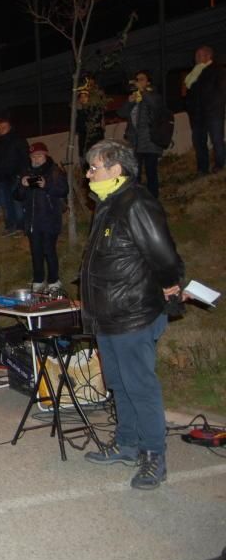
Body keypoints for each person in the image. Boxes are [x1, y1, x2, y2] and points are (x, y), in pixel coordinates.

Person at [80, 139, 185, 490]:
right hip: (109, 316)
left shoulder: (135, 202)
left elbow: (164, 254)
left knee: (140, 386)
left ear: (116, 169)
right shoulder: (108, 205)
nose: (88, 173)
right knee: (119, 385)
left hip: (134, 314)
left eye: (94, 167)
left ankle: (154, 455)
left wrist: (170, 284)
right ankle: (126, 444)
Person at [13, 143, 69, 291]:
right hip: (32, 220)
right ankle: (38, 280)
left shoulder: (54, 170)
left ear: (46, 155)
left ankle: (53, 281)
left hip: (50, 218)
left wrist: (46, 184)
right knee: (36, 251)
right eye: (33, 156)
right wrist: (23, 185)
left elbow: (64, 190)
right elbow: (17, 195)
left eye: (39, 155)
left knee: (49, 249)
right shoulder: (26, 171)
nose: (36, 159)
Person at [118, 70, 167, 198]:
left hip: (150, 141)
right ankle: (138, 201)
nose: (138, 81)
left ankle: (153, 200)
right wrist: (130, 101)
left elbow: (155, 105)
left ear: (148, 82)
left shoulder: (153, 95)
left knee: (151, 173)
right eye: (137, 79)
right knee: (135, 174)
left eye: (142, 79)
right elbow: (121, 113)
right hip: (135, 142)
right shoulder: (136, 97)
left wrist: (143, 91)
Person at [183, 45, 226, 175]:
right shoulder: (194, 74)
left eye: (199, 55)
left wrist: (214, 106)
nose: (196, 58)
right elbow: (189, 94)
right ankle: (202, 168)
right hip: (197, 115)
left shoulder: (218, 70)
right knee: (199, 142)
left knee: (217, 140)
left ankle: (220, 165)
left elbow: (222, 91)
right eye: (196, 55)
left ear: (208, 56)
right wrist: (190, 109)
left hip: (213, 112)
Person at [0, 115, 29, 236]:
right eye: (0, 128)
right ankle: (10, 226)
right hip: (1, 178)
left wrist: (23, 174)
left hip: (16, 176)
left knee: (17, 202)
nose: (2, 130)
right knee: (6, 204)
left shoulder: (18, 140)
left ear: (10, 127)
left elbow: (25, 158)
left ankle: (21, 226)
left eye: (4, 127)